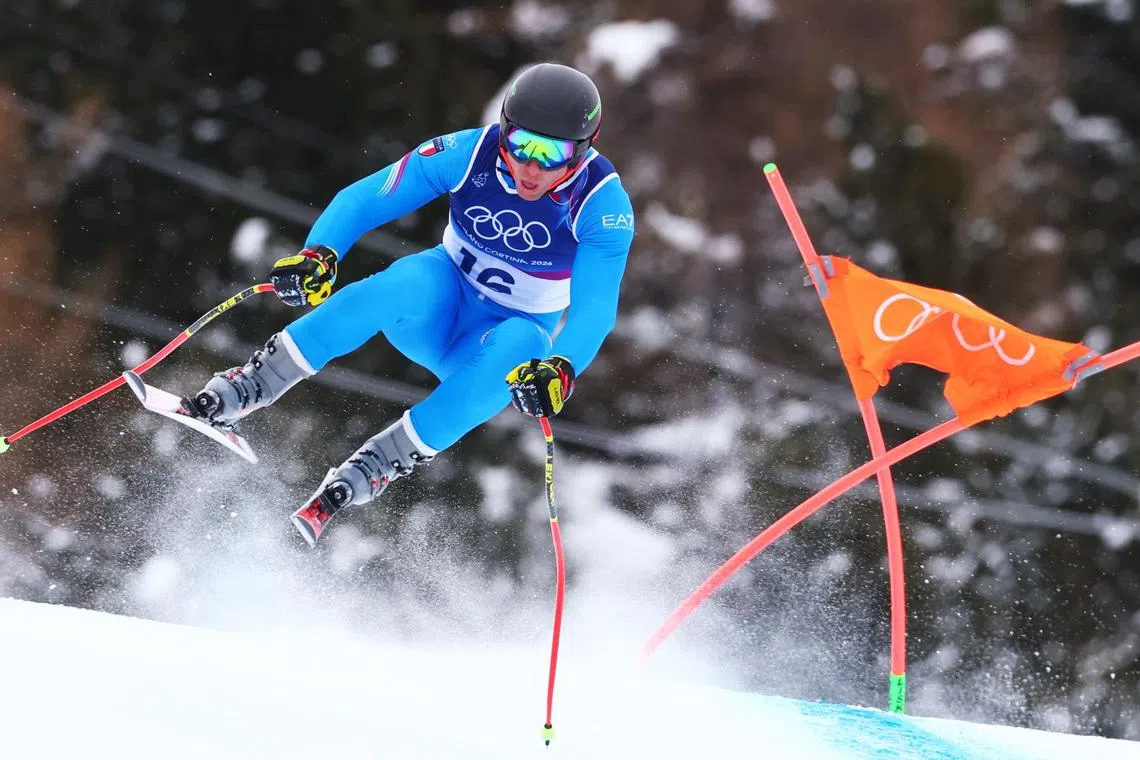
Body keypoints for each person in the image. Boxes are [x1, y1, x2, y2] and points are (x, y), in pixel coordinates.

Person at [183, 63, 636, 545]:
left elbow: (595, 309)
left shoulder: (603, 206)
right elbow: (365, 198)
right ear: (504, 128)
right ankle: (251, 384)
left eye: (553, 153)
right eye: (522, 143)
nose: (531, 166)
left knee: (526, 344)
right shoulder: (469, 153)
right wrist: (319, 254)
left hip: (490, 345)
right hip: (435, 308)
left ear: (584, 150)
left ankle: (377, 464)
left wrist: (561, 368)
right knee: (411, 279)